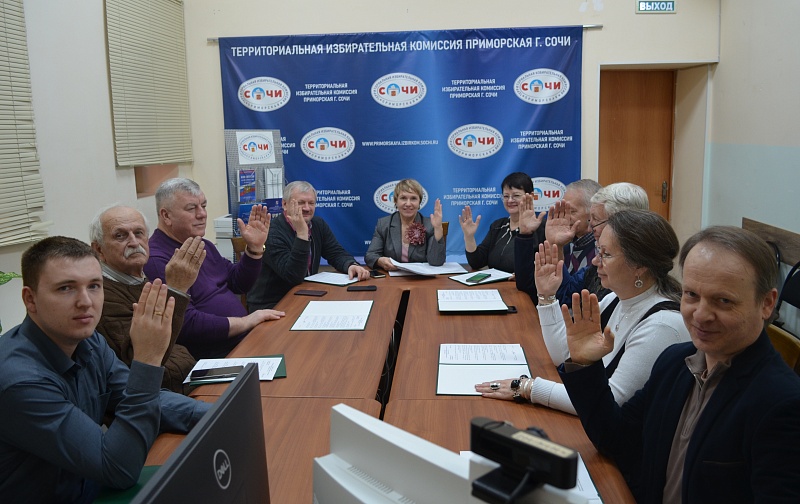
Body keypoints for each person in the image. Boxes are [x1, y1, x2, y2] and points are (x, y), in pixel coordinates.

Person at [558, 226, 800, 502]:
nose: (701, 314)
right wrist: (585, 364)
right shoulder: (674, 363)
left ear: (767, 303)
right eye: (691, 295)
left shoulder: (783, 404)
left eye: (723, 301)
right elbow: (616, 440)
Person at [0, 236, 210, 503]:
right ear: (30, 299)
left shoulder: (89, 342)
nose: (85, 302)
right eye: (65, 288)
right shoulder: (18, 380)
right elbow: (119, 469)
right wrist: (147, 360)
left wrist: (216, 414)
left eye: (94, 286)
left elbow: (142, 397)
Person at [476, 209, 690, 415]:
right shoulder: (615, 299)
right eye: (598, 251)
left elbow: (612, 401)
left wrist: (527, 388)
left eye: (606, 254)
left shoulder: (661, 326)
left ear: (639, 266)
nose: (596, 261)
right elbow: (563, 356)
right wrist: (546, 296)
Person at [144, 178, 284, 360]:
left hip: (243, 338)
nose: (202, 214)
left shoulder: (202, 244)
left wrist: (255, 249)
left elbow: (238, 283)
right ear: (166, 216)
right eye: (191, 208)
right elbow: (187, 324)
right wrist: (246, 321)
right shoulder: (156, 260)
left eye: (203, 206)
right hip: (215, 354)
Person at [90, 204, 205, 394]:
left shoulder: (138, 278)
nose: (134, 242)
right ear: (99, 250)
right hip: (164, 394)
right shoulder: (101, 295)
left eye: (139, 233)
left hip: (190, 378)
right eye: (120, 236)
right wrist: (176, 289)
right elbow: (143, 359)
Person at [516, 182, 649, 305]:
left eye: (595, 219)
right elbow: (564, 295)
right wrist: (554, 244)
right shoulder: (571, 246)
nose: (591, 226)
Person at [247, 181, 371, 310]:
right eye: (301, 203)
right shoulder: (271, 232)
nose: (307, 208)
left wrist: (350, 265)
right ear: (284, 204)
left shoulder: (318, 224)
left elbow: (335, 252)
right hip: (272, 304)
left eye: (311, 203)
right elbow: (293, 276)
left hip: (306, 296)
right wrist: (302, 234)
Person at [459, 172, 533, 273]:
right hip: (496, 282)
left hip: (524, 283)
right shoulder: (498, 226)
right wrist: (469, 237)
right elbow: (477, 262)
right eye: (506, 196)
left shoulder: (540, 228)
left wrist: (524, 276)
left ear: (530, 196)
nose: (510, 200)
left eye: (516, 195)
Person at [365, 178, 445, 271]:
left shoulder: (429, 225)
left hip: (421, 278)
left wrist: (438, 228)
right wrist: (380, 261)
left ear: (419, 202)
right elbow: (370, 256)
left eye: (413, 198)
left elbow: (436, 262)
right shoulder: (383, 224)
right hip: (392, 277)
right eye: (403, 198)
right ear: (396, 201)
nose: (408, 204)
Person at [561, 179, 602, 274]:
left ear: (593, 212)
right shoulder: (566, 245)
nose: (565, 217)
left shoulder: (601, 250)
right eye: (563, 211)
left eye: (572, 211)